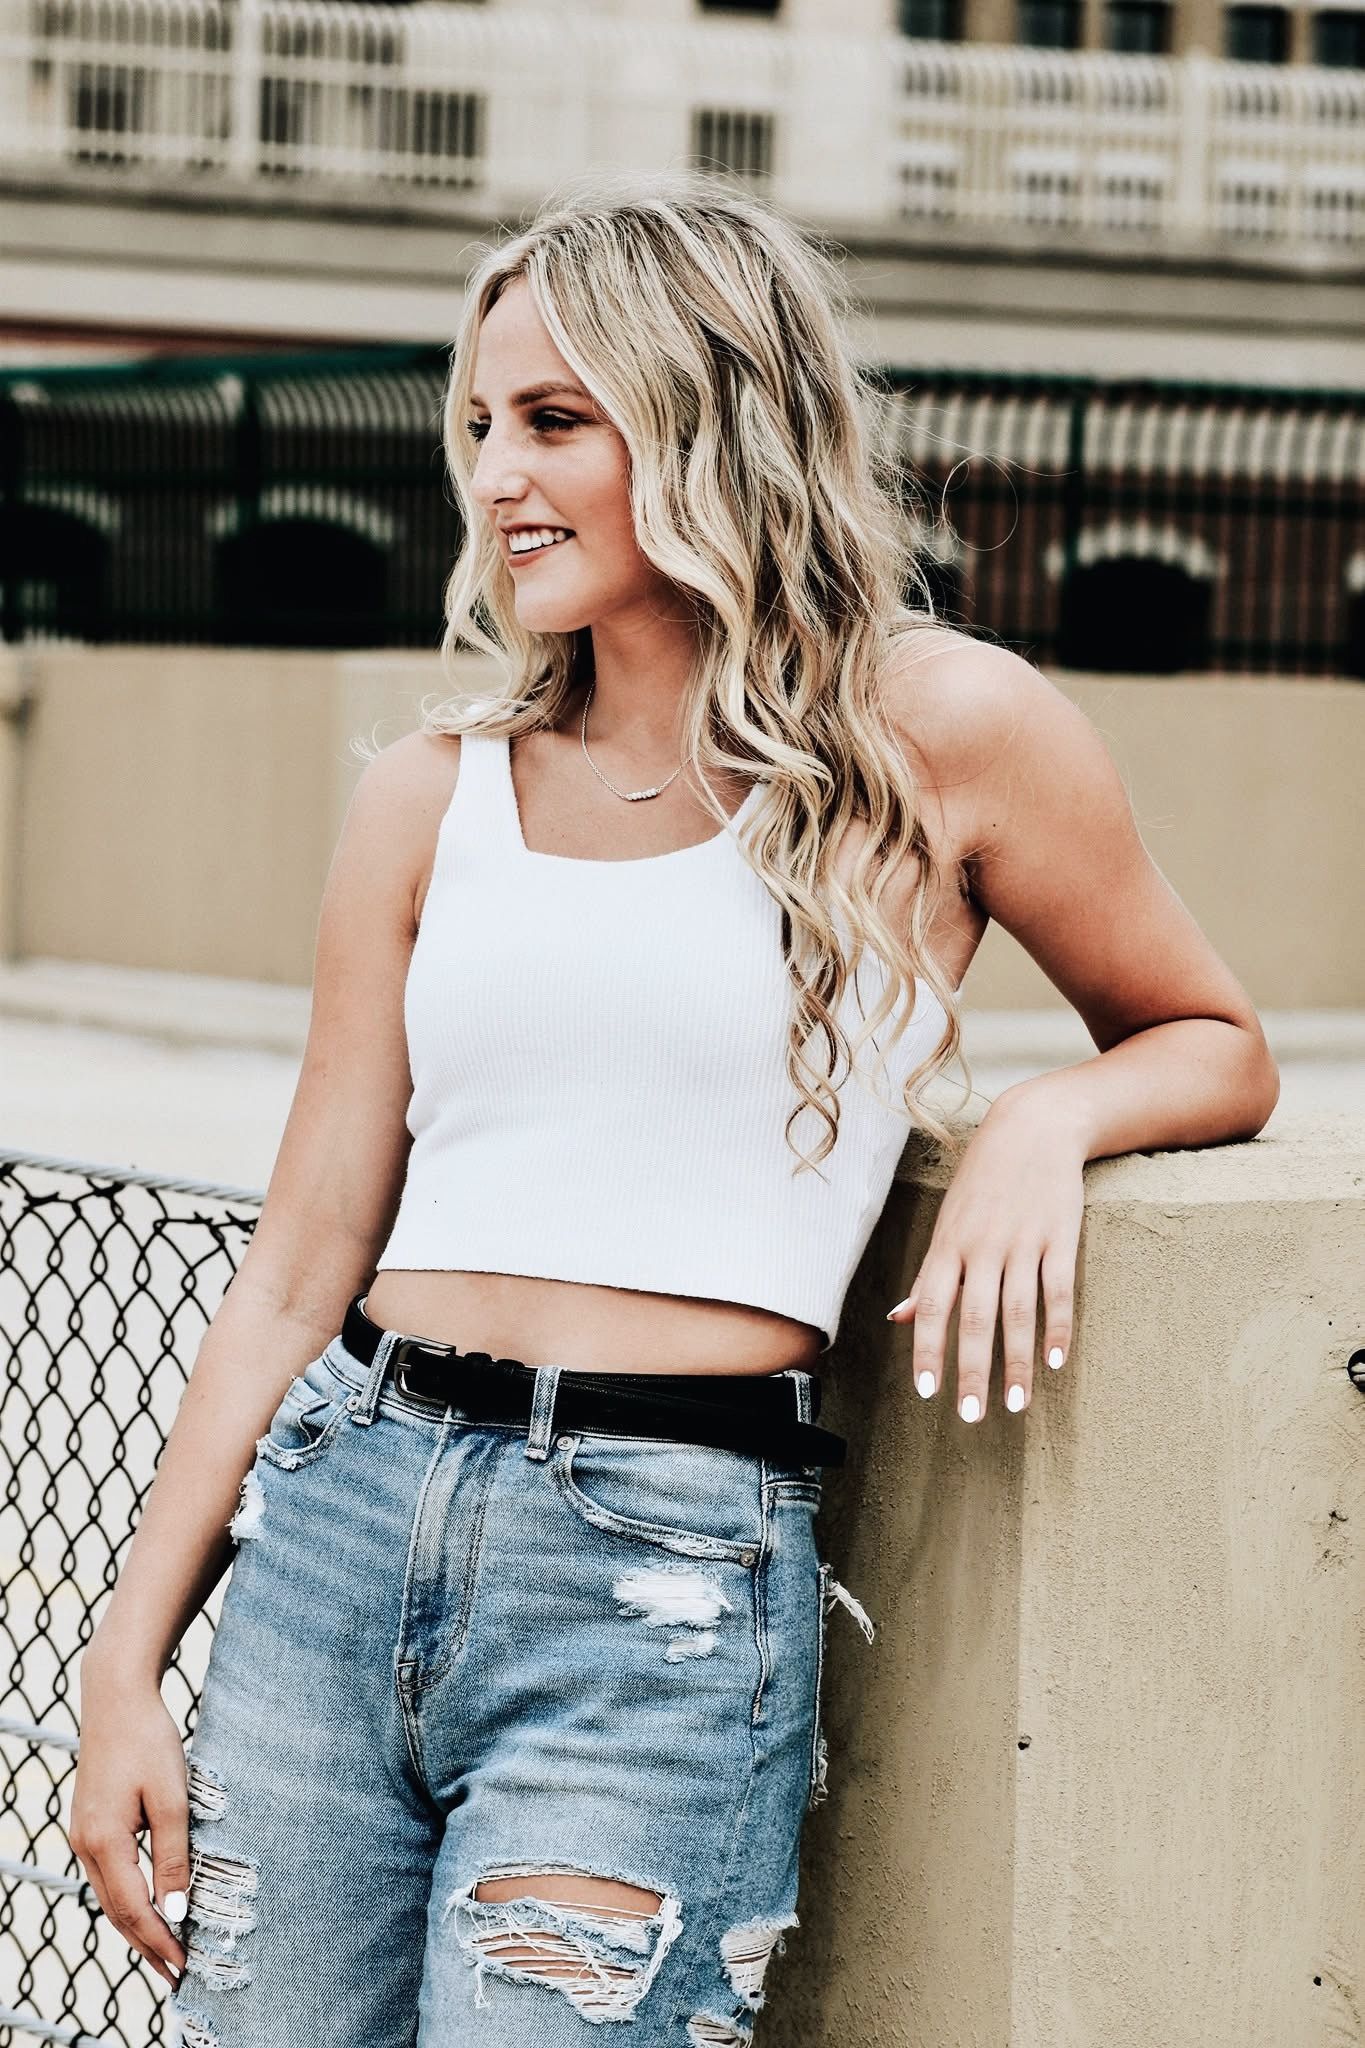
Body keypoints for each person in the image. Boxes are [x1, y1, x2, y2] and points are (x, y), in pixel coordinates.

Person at [69, 170, 1279, 2047]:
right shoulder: (430, 792)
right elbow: (298, 1262)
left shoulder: (938, 731)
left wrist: (1046, 1123)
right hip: (338, 1520)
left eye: (557, 421)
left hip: (660, 1574)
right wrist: (122, 1667)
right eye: (476, 423)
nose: (496, 475)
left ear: (712, 421)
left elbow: (1208, 1036)